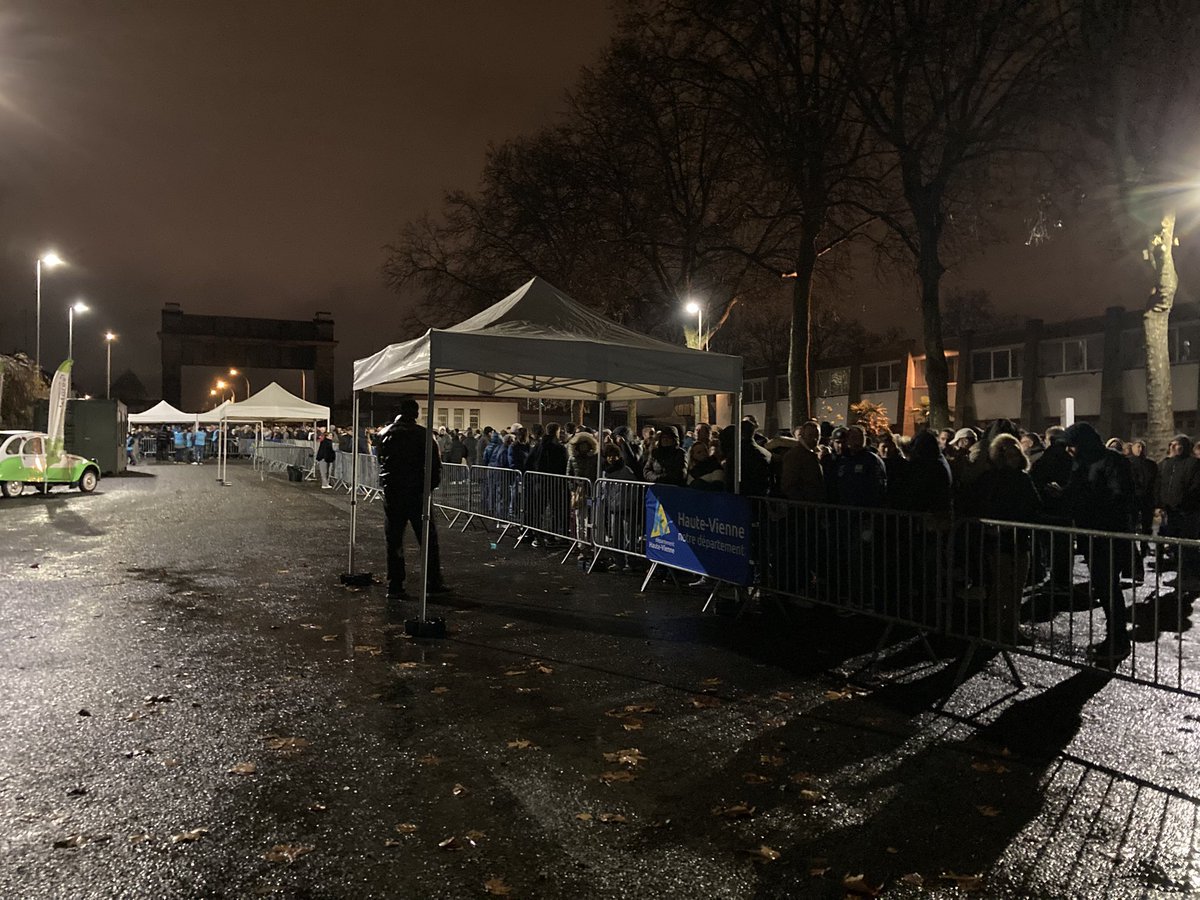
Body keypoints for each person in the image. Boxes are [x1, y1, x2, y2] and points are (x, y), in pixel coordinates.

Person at [1061, 422, 1135, 660]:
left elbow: (1119, 497)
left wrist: (1088, 505)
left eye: (1072, 445)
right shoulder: (1082, 463)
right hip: (1091, 533)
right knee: (1104, 588)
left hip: (1108, 534)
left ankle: (1118, 640)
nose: (1069, 450)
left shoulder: (1112, 461)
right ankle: (1114, 638)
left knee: (1109, 588)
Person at [377, 397, 448, 600]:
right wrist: (428, 488)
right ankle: (432, 581)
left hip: (393, 492)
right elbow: (435, 466)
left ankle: (395, 584)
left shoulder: (384, 434)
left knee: (394, 539)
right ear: (416, 413)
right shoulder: (424, 435)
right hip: (417, 492)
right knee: (427, 539)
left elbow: (381, 461)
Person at [973, 434, 1041, 644]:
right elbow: (981, 505)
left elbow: (1034, 505)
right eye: (1008, 453)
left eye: (1015, 452)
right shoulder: (990, 478)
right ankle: (994, 627)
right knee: (999, 586)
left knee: (1017, 587)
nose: (1012, 456)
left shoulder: (1022, 478)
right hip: (998, 540)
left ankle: (1012, 627)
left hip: (1019, 539)